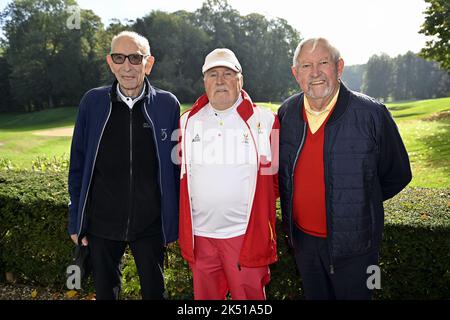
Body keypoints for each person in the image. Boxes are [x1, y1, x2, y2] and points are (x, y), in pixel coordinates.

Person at [278, 37, 412, 300]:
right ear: (296, 74)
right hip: (304, 245)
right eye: (306, 66)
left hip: (358, 249)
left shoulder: (372, 114)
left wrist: (361, 203)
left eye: (323, 63)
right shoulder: (286, 113)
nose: (315, 72)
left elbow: (397, 174)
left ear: (339, 67)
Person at [68, 31, 180, 300]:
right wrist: (76, 222)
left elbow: (176, 170)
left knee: (155, 292)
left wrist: (172, 222)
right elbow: (78, 165)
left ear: (148, 63)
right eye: (119, 58)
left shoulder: (167, 104)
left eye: (135, 58)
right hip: (102, 225)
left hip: (150, 225)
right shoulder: (92, 102)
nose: (127, 66)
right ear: (110, 62)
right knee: (107, 294)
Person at [178, 48, 279, 300]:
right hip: (200, 237)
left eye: (227, 73)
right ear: (204, 82)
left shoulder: (266, 121)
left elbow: (276, 181)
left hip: (244, 236)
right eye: (213, 74)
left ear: (240, 80)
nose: (220, 80)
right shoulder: (186, 122)